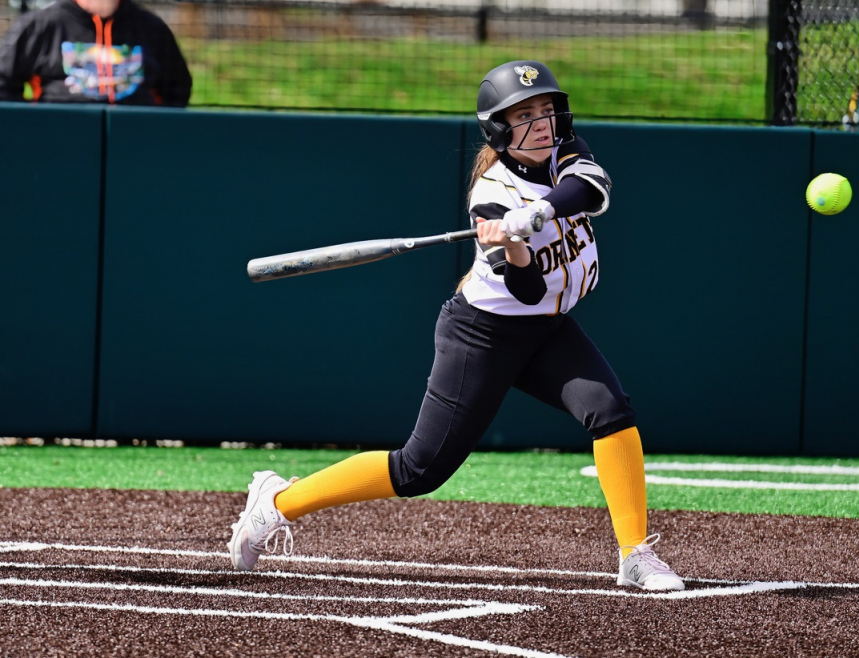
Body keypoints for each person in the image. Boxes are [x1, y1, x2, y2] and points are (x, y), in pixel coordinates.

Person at [227, 60, 686, 591]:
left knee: (610, 410)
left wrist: (536, 214)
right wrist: (511, 241)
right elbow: (528, 289)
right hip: (483, 336)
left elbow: (591, 190)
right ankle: (278, 503)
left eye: (546, 110)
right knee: (419, 470)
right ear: (498, 129)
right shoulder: (489, 197)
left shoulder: (568, 153)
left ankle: (634, 553)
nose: (542, 123)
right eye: (524, 116)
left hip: (548, 329)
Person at [0, 0, 191, 106]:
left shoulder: (152, 28)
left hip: (135, 149)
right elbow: (3, 83)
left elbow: (177, 90)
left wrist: (150, 127)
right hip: (57, 147)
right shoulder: (40, 25)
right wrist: (34, 123)